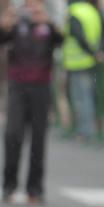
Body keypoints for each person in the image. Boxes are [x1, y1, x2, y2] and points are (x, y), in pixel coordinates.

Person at [0, 0, 62, 205]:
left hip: (41, 86)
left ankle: (35, 189)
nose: (31, 7)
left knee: (38, 138)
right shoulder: (16, 22)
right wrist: (4, 24)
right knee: (13, 134)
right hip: (18, 86)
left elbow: (61, 40)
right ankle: (8, 185)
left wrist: (48, 22)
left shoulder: (46, 24)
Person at [63, 0, 102, 141]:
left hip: (77, 62)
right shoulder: (92, 11)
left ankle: (85, 132)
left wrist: (91, 51)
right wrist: (96, 52)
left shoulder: (74, 11)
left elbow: (77, 35)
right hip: (89, 61)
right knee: (88, 97)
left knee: (81, 99)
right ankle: (89, 130)